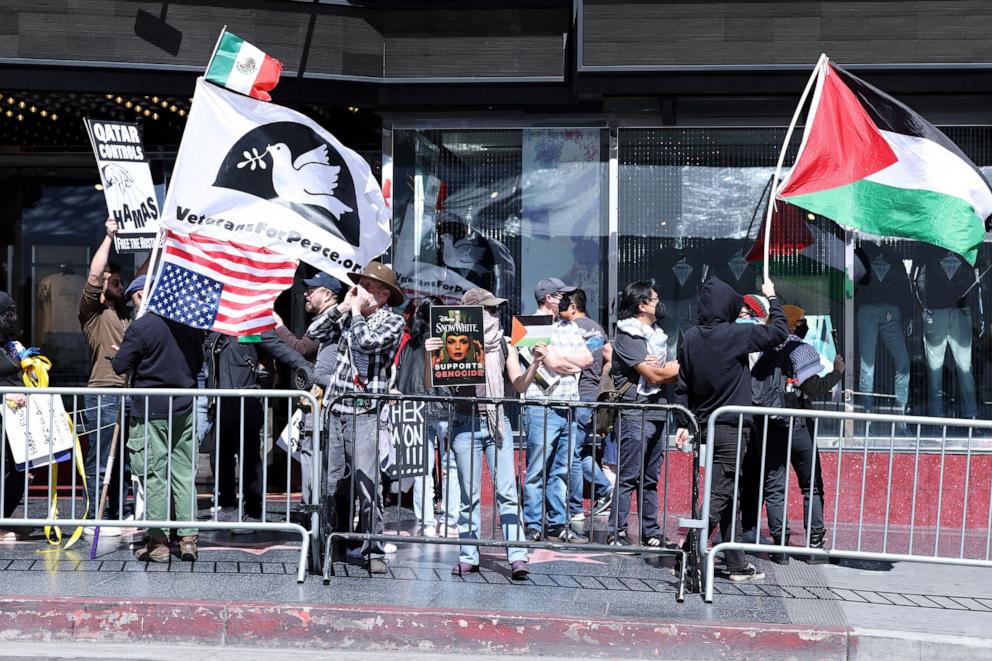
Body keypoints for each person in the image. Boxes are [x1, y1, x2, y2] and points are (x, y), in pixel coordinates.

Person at [674, 276, 788, 582]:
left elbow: (682, 388)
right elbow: (779, 331)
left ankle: (737, 563)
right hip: (731, 428)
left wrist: (685, 423)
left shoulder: (690, 338)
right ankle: (686, 553)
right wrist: (773, 298)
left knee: (728, 495)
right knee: (720, 493)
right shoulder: (735, 334)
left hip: (705, 427)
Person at [437, 287, 544, 579]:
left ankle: (518, 556)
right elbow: (434, 383)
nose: (495, 315)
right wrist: (429, 356)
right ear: (472, 314)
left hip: (497, 422)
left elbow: (519, 385)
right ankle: (468, 554)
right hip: (464, 422)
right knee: (468, 496)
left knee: (507, 492)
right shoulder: (454, 342)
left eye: (496, 310)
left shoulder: (504, 344)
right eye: (489, 310)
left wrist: (534, 363)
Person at [320, 261, 406, 575]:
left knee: (368, 484)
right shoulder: (349, 314)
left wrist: (354, 314)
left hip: (365, 413)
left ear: (384, 295)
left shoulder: (392, 322)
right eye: (362, 286)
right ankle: (330, 543)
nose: (363, 292)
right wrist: (341, 307)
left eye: (370, 288)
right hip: (336, 408)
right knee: (330, 484)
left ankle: (373, 549)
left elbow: (365, 343)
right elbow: (314, 333)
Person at [745, 304, 843, 565]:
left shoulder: (762, 350)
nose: (804, 325)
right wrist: (837, 372)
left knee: (775, 487)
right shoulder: (802, 350)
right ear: (795, 324)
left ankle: (781, 547)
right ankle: (813, 545)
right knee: (811, 486)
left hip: (769, 426)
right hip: (798, 426)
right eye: (801, 321)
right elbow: (813, 388)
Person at [111, 296, 204, 563]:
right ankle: (189, 539)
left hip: (151, 409)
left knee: (154, 475)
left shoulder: (142, 326)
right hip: (184, 407)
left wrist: (123, 353)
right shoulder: (190, 325)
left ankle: (159, 542)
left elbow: (119, 365)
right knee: (184, 474)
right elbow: (197, 365)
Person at [203, 330, 312, 529]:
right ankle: (227, 507)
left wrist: (304, 366)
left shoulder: (252, 328)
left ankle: (253, 512)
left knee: (249, 461)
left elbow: (280, 349)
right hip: (219, 404)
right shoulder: (216, 329)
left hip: (246, 404)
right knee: (219, 458)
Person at [605, 282, 679, 548]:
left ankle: (651, 531)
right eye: (655, 299)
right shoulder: (628, 335)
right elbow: (656, 374)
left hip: (657, 410)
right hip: (635, 411)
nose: (660, 303)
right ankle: (617, 531)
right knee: (629, 475)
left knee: (650, 477)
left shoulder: (657, 336)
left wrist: (667, 368)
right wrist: (668, 369)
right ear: (641, 304)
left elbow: (669, 369)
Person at [521, 278, 593, 543]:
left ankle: (557, 523)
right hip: (541, 405)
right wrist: (564, 362)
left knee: (561, 469)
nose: (566, 299)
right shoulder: (528, 325)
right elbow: (548, 363)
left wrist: (562, 361)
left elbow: (586, 360)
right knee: (537, 468)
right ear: (549, 297)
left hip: (568, 405)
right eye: (562, 294)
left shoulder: (569, 325)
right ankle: (533, 522)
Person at [78, 217, 132, 529]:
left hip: (130, 393)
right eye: (115, 283)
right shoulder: (92, 314)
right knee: (100, 462)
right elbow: (96, 274)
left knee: (124, 463)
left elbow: (143, 280)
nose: (120, 286)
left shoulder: (126, 312)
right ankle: (94, 518)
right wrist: (109, 236)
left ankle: (118, 514)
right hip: (104, 393)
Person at [394, 296, 460, 538]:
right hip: (445, 407)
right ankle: (451, 523)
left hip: (416, 410)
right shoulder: (450, 342)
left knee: (421, 469)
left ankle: (426, 524)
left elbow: (402, 381)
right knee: (451, 466)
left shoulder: (409, 346)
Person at [559, 289, 614, 522]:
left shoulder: (568, 329)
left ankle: (575, 508)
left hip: (577, 396)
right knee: (579, 452)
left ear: (572, 306)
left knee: (571, 453)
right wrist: (600, 385)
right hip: (592, 396)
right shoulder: (598, 328)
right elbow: (608, 361)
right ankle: (605, 489)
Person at [0, 292, 29, 539]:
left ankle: (4, 517)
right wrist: (5, 396)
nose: (14, 318)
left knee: (20, 469)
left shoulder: (9, 345)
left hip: (15, 421)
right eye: (8, 313)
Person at [273, 271, 344, 362]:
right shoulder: (327, 317)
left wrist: (278, 325)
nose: (305, 294)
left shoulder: (332, 320)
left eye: (311, 291)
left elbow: (302, 350)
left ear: (327, 295)